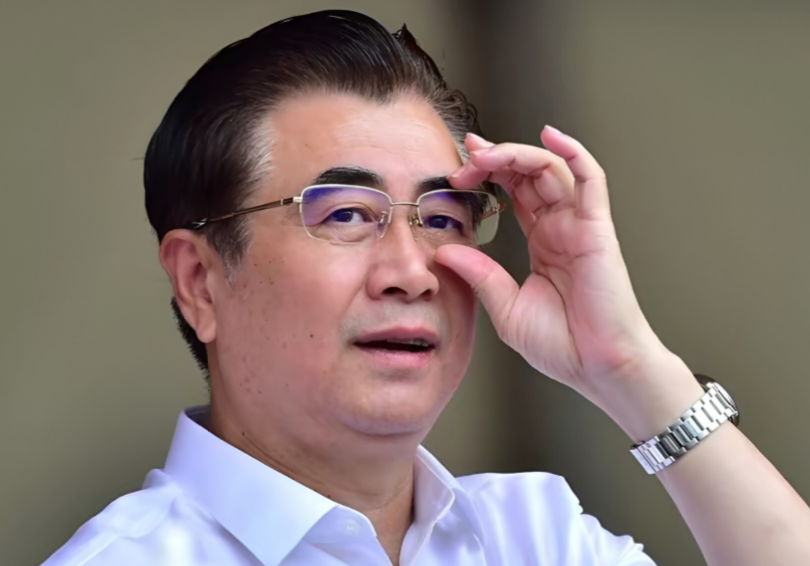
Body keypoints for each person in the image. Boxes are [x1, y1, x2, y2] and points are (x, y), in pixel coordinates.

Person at [43, 9, 810, 566]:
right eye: (347, 214)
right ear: (200, 281)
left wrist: (630, 368)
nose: (412, 272)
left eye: (443, 217)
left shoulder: (533, 536)